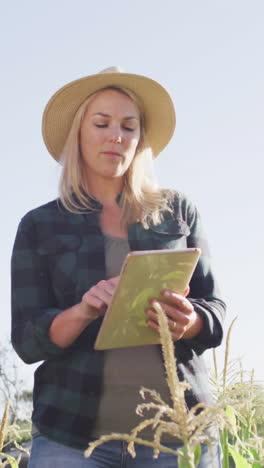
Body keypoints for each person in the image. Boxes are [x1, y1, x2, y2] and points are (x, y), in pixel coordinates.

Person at [11, 66, 225, 467]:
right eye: (102, 123)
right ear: (79, 132)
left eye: (129, 126)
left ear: (140, 138)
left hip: (178, 433)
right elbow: (26, 339)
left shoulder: (178, 212)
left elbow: (214, 311)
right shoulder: (39, 225)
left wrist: (190, 320)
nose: (117, 136)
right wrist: (82, 311)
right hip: (71, 439)